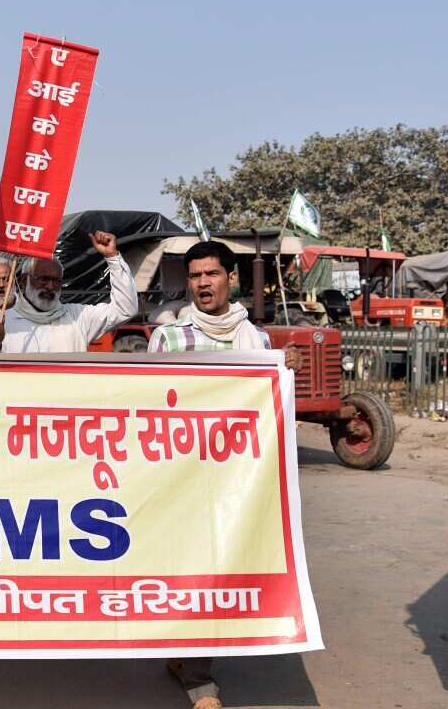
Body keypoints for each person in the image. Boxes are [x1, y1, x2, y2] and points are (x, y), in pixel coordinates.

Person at [146, 240, 302, 709]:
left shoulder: (254, 340)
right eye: (194, 276)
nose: (202, 284)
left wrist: (285, 371)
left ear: (230, 278)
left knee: (221, 570)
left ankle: (197, 670)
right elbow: (148, 404)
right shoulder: (169, 339)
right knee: (186, 569)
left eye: (211, 274)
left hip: (234, 480)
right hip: (181, 478)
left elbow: (265, 407)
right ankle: (193, 669)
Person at [0, 232, 136, 353]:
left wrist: (112, 257)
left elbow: (125, 309)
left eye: (56, 281)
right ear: (22, 281)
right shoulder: (1, 323)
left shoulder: (77, 317)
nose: (50, 286)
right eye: (43, 279)